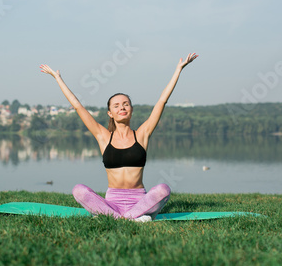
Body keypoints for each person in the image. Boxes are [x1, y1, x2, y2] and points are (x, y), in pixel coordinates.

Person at [40, 52, 198, 222]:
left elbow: (161, 101)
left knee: (163, 189)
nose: (122, 107)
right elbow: (77, 106)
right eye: (116, 106)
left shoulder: (142, 134)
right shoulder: (103, 136)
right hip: (112, 202)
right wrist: (57, 78)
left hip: (140, 200)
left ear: (131, 110)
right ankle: (132, 218)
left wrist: (178, 71)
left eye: (125, 104)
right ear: (110, 113)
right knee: (78, 190)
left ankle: (119, 217)